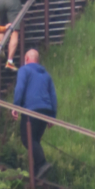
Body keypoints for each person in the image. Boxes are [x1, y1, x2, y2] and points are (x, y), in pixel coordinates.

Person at [11, 49, 58, 181]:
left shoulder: (24, 70)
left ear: (26, 58)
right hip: (46, 111)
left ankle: (42, 164)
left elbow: (19, 88)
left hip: (31, 110)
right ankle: (38, 172)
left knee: (27, 139)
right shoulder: (46, 75)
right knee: (35, 140)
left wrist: (15, 106)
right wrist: (52, 116)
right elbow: (53, 96)